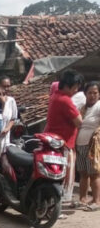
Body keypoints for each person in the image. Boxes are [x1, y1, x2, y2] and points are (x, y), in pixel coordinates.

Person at [45, 69, 84, 204]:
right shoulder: (66, 101)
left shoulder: (55, 96)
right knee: (63, 175)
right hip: (63, 143)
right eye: (75, 87)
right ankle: (57, 203)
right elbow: (79, 122)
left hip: (53, 141)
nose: (76, 91)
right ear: (68, 86)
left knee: (53, 174)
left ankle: (52, 203)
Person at [76, 82, 100, 208]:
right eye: (90, 92)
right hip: (80, 145)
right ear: (85, 94)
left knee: (94, 174)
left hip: (92, 147)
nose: (92, 95)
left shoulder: (99, 106)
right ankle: (83, 199)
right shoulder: (83, 108)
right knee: (83, 173)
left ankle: (97, 201)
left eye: (95, 93)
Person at [0, 76, 18, 162]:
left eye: (8, 86)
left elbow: (13, 118)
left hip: (5, 136)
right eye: (4, 86)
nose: (6, 88)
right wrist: (1, 102)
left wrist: (7, 129)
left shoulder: (11, 101)